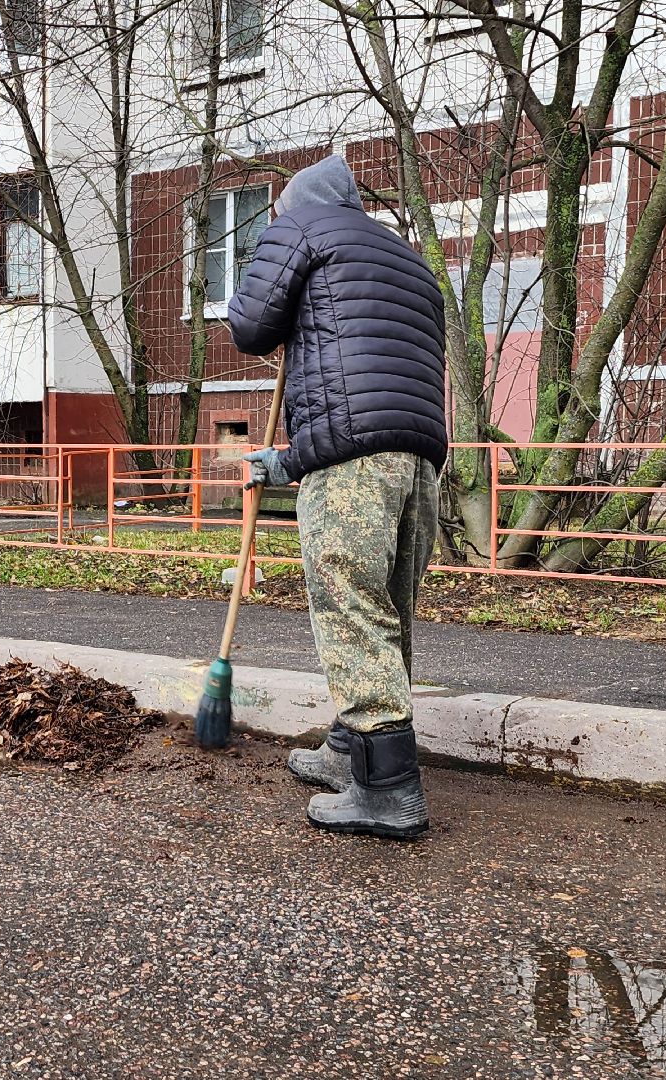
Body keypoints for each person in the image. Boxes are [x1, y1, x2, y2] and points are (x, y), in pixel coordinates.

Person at [226, 154, 447, 840]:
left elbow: (249, 326)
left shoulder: (300, 227)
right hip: (417, 459)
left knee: (350, 608)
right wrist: (289, 460)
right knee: (383, 610)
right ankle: (351, 753)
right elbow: (366, 373)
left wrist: (279, 292)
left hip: (353, 463)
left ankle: (388, 793)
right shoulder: (407, 260)